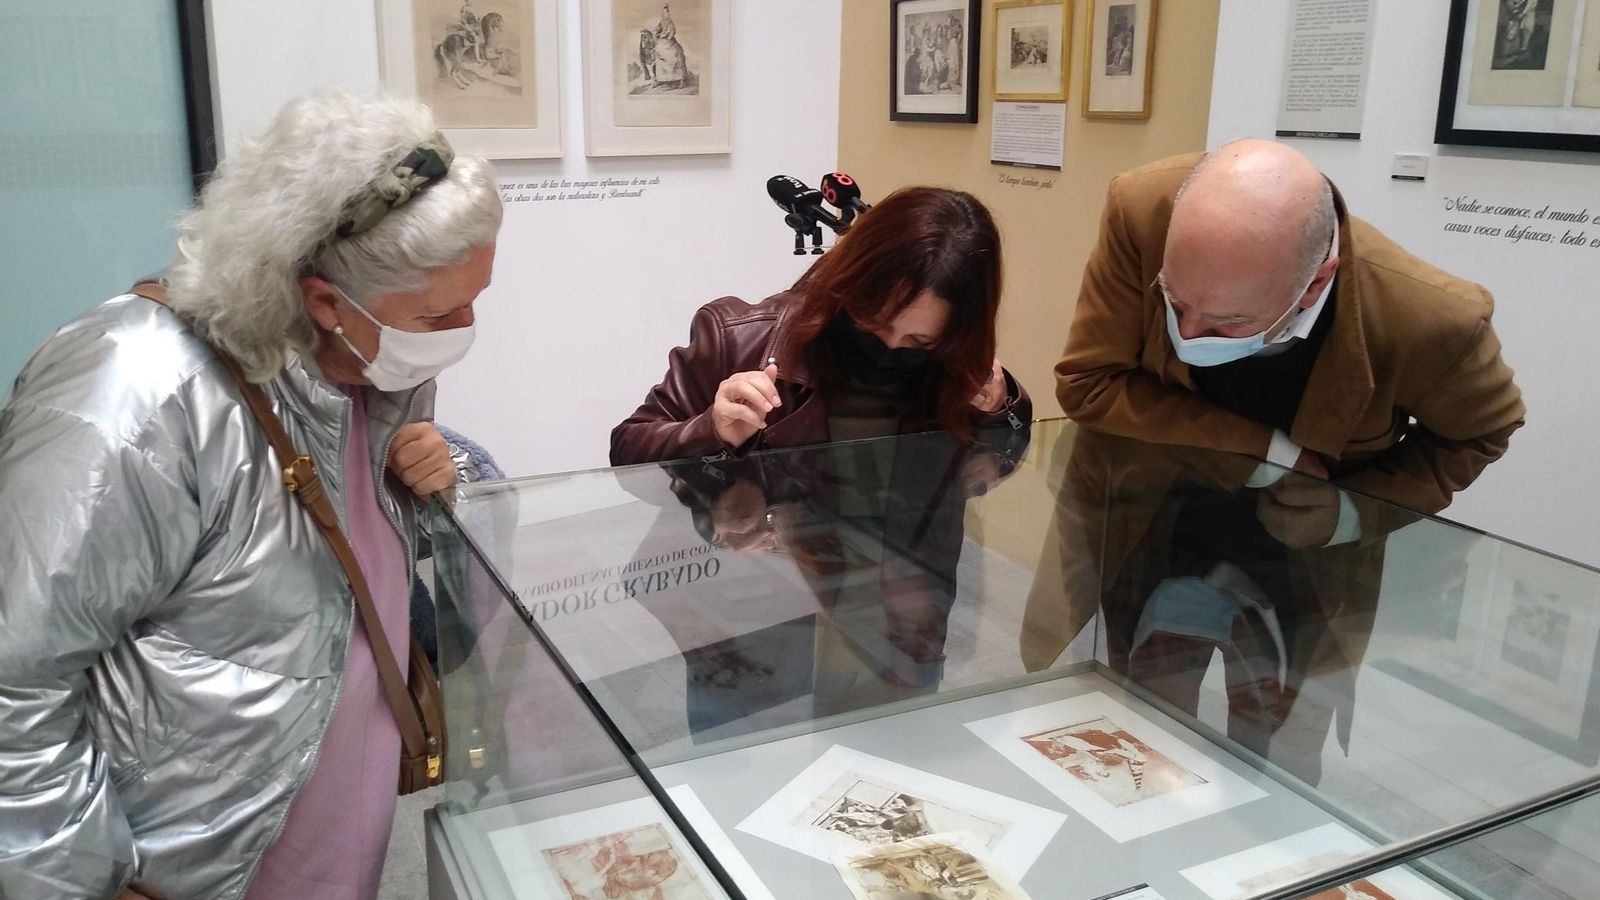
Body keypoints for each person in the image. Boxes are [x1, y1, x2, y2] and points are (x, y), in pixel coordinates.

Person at [0, 91, 502, 900]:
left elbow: (317, 577)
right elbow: (14, 680)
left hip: (328, 824)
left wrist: (430, 489)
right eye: (438, 313)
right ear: (324, 300)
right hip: (184, 868)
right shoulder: (134, 396)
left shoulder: (369, 370)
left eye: (476, 299)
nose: (464, 329)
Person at [1057, 138, 1523, 547]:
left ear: (1315, 284)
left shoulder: (1434, 323)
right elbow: (1089, 382)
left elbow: (1482, 432)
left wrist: (1354, 513)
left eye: (1229, 322)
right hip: (1139, 517)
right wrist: (1266, 450)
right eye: (1172, 301)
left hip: (1302, 559)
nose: (1188, 335)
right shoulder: (1144, 213)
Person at [610, 186, 1030, 467]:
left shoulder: (955, 366)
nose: (889, 346)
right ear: (849, 284)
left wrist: (998, 410)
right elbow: (627, 450)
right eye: (874, 321)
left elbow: (994, 472)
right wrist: (713, 429)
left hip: (909, 568)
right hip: (769, 571)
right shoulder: (738, 336)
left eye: (919, 340)